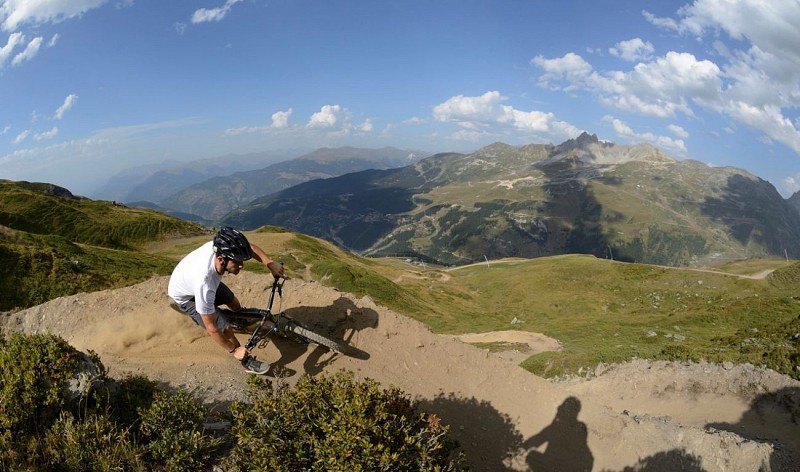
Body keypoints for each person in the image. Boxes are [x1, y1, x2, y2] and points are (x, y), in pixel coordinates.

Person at [168, 226, 285, 374]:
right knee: (225, 327)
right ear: (221, 260)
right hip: (185, 296)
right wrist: (233, 350)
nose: (242, 265)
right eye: (237, 262)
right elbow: (211, 327)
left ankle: (240, 319)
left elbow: (249, 247)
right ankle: (245, 361)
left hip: (191, 279)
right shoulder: (205, 283)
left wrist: (269, 263)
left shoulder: (221, 249)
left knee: (233, 302)